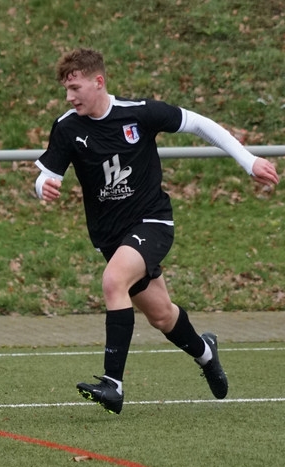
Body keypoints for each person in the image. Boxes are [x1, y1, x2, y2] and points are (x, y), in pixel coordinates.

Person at [33, 48, 279, 414]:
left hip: (152, 222)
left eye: (75, 87)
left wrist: (249, 161)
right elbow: (46, 176)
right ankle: (206, 353)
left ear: (98, 82)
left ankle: (113, 385)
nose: (70, 96)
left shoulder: (138, 113)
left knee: (113, 282)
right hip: (110, 236)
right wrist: (44, 186)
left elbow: (199, 123)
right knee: (162, 315)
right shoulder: (67, 127)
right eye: (66, 90)